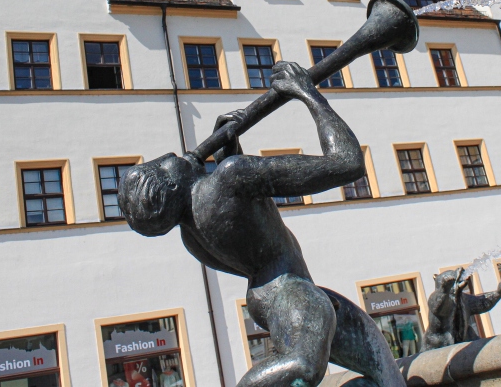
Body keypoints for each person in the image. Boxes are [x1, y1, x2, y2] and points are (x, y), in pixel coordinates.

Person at [120, 61, 406, 387]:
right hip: (291, 293)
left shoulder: (191, 234)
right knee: (303, 366)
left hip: (270, 299)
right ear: (169, 187)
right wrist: (309, 94)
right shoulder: (229, 178)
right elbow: (347, 163)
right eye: (168, 162)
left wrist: (232, 154)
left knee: (386, 376)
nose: (176, 154)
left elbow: (251, 228)